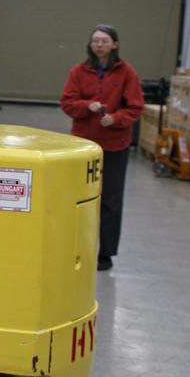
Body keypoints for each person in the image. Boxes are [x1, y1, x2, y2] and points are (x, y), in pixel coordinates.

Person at [59, 24, 143, 271]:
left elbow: (135, 108)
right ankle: (74, 249)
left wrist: (115, 119)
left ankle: (105, 254)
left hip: (114, 146)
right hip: (83, 145)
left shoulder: (127, 73)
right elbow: (67, 103)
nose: (99, 45)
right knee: (79, 199)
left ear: (114, 44)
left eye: (104, 41)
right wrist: (87, 106)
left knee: (110, 200)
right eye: (95, 40)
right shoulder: (79, 71)